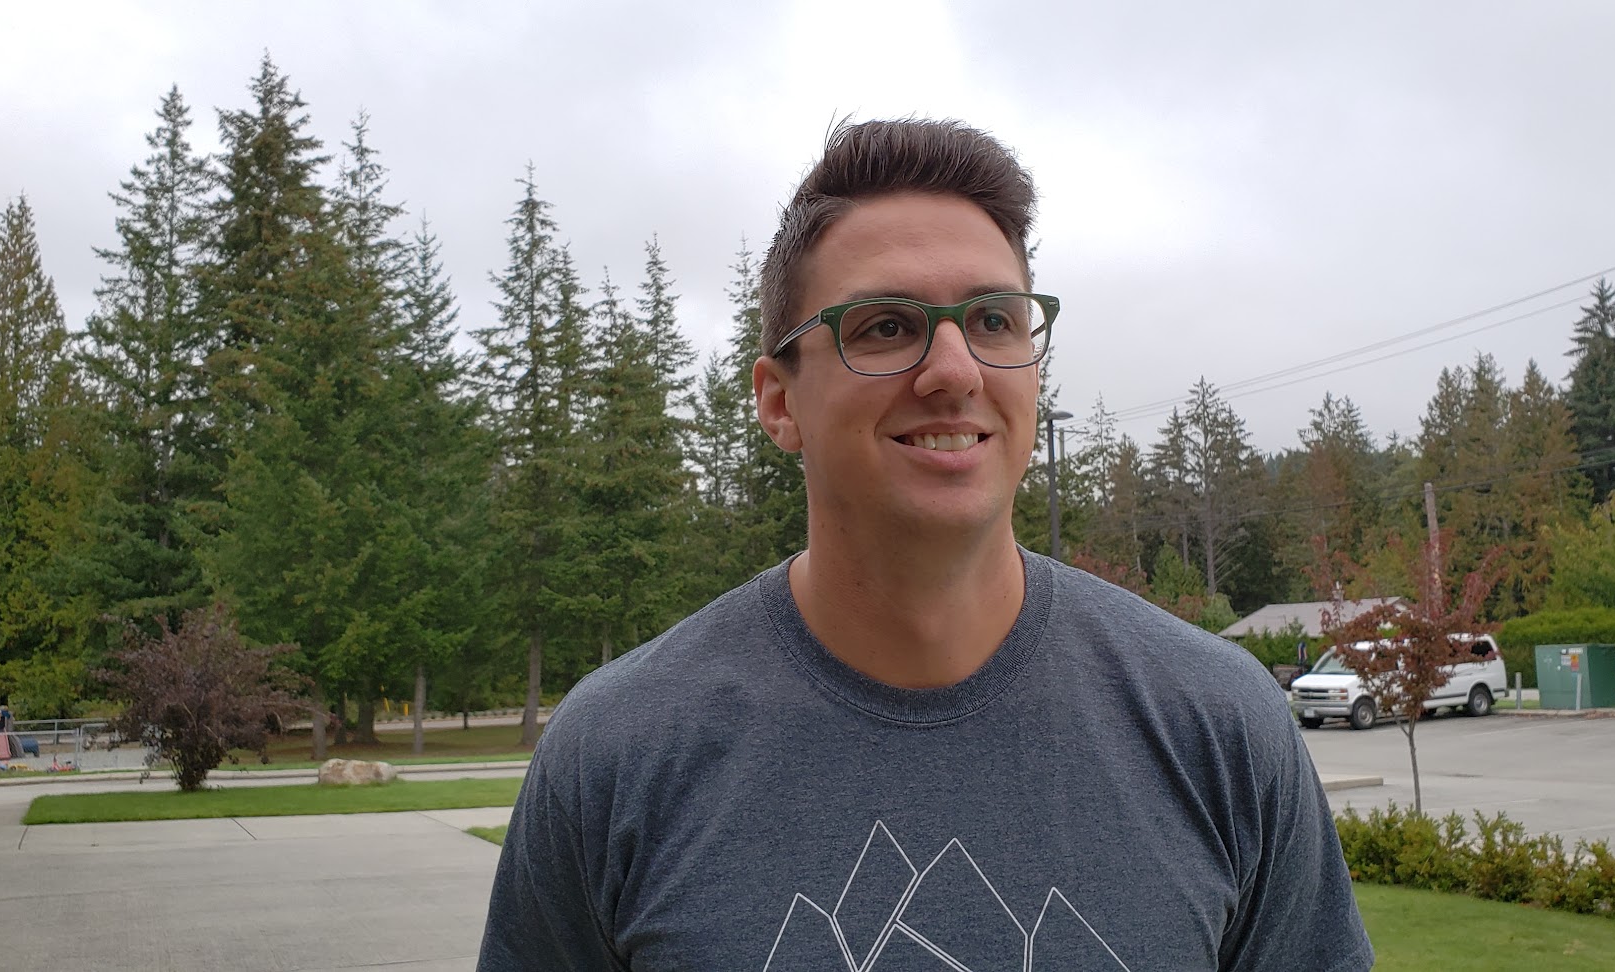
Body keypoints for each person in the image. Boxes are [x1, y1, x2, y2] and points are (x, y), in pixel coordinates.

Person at [479, 119, 1372, 971]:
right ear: (779, 402)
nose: (955, 370)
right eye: (886, 326)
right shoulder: (617, 755)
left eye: (994, 320)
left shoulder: (1219, 726)